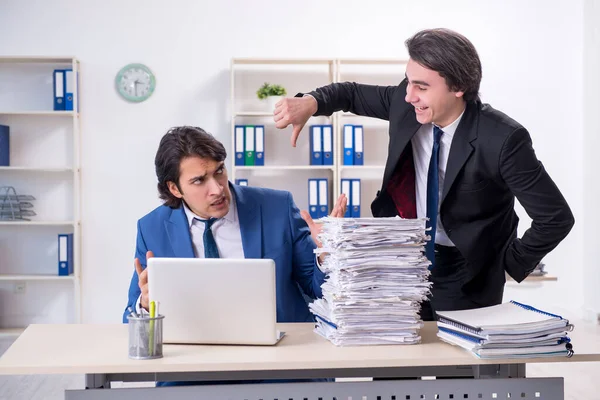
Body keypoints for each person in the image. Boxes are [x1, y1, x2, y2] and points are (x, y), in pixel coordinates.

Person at [273, 28, 574, 321]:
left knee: (459, 368)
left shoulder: (503, 139)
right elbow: (349, 94)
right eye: (408, 82)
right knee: (394, 362)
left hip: (466, 271)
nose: (408, 96)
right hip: (402, 256)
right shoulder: (404, 107)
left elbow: (555, 217)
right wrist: (310, 102)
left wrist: (506, 267)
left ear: (459, 87)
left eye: (421, 86)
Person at [123, 125, 346, 323]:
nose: (218, 189)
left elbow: (319, 291)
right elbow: (129, 318)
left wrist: (325, 254)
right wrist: (144, 304)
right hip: (198, 357)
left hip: (280, 356)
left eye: (219, 171)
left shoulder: (277, 208)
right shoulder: (152, 228)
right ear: (174, 188)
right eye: (199, 180)